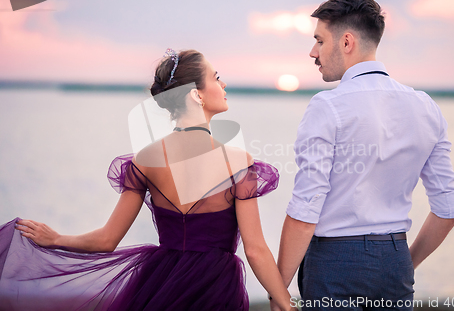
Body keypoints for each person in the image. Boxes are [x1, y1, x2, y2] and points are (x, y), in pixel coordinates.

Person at [0, 49, 297, 311]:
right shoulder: (237, 161)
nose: (224, 84)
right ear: (197, 94)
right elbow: (255, 249)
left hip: (160, 284)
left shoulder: (146, 160)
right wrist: (284, 302)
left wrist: (57, 239)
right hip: (216, 288)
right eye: (217, 78)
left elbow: (106, 240)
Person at [271, 0, 454, 311]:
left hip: (334, 265)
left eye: (319, 40)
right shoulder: (425, 106)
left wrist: (279, 292)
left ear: (347, 42)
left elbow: (306, 211)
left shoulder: (327, 106)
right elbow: (448, 209)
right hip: (395, 260)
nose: (313, 52)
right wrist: (402, 265)